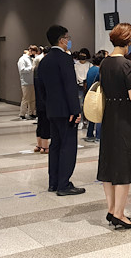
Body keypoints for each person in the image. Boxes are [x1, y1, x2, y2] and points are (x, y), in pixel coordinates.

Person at [98, 23, 131, 229]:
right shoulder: (127, 65)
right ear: (128, 41)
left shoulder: (105, 63)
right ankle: (120, 214)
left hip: (109, 117)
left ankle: (112, 209)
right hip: (125, 120)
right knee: (124, 166)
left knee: (109, 162)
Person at [36, 25, 85, 196]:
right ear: (62, 40)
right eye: (67, 37)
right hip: (67, 112)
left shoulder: (44, 60)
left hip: (52, 111)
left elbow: (40, 87)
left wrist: (48, 104)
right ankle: (64, 184)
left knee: (55, 146)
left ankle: (53, 182)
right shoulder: (65, 59)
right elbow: (70, 87)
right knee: (68, 147)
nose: (69, 40)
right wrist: (75, 110)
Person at [84, 51, 105, 143]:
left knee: (92, 116)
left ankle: (89, 134)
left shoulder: (91, 69)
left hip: (90, 94)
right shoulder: (99, 71)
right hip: (97, 96)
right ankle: (98, 137)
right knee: (99, 116)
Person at [33, 46, 50, 154]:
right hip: (46, 101)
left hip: (38, 100)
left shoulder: (36, 68)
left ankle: (38, 145)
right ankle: (45, 147)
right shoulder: (47, 68)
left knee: (40, 122)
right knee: (46, 123)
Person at [17, 46, 38, 120]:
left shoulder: (31, 59)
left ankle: (31, 113)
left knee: (32, 99)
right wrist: (31, 68)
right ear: (30, 51)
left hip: (32, 81)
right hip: (26, 82)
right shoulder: (22, 59)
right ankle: (22, 114)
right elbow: (22, 70)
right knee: (26, 99)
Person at [74, 48, 92, 128]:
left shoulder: (89, 65)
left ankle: (86, 120)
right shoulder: (75, 65)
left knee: (87, 104)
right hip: (79, 86)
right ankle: (81, 120)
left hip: (87, 86)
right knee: (80, 104)